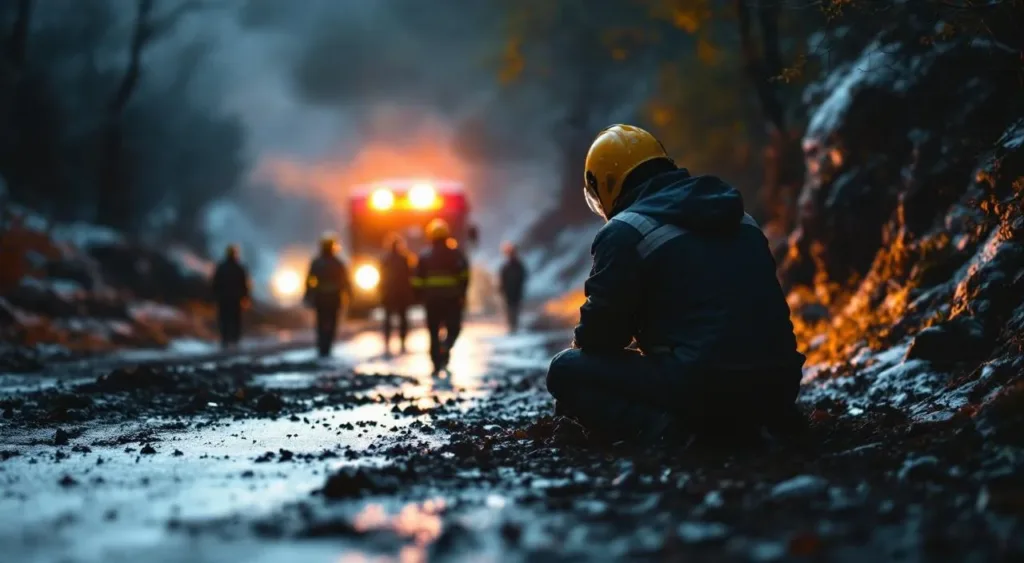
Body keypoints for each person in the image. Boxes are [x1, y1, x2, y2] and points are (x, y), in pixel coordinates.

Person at [545, 124, 805, 444]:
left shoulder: (627, 230)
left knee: (564, 369)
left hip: (704, 385)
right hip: (780, 386)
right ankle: (765, 423)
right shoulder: (741, 217)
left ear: (608, 185)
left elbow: (600, 337)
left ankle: (665, 430)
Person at [412, 218, 470, 375]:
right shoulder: (456, 254)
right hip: (452, 299)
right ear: (446, 236)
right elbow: (464, 277)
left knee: (433, 331)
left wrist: (419, 297)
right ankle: (446, 347)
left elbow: (417, 280)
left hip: (432, 301)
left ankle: (436, 363)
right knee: (453, 329)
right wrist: (462, 295)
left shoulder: (424, 256)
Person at [304, 232, 352, 358]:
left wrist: (308, 294)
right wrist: (349, 294)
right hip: (333, 298)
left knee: (321, 322)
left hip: (321, 298)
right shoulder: (338, 263)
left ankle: (322, 346)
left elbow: (310, 280)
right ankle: (327, 346)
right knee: (331, 322)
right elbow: (345, 282)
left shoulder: (317, 262)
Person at [379, 233, 415, 357]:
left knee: (389, 319)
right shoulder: (405, 259)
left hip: (390, 294)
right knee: (402, 318)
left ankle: (388, 343)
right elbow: (410, 276)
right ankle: (402, 342)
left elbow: (382, 278)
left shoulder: (385, 259)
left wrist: (382, 292)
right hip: (401, 294)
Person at [211, 244, 251, 349]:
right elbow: (244, 285)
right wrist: (245, 297)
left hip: (223, 299)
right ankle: (234, 339)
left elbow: (215, 283)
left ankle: (225, 339)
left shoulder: (221, 267)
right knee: (235, 319)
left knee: (224, 319)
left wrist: (215, 296)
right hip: (235, 299)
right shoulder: (239, 268)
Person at [498, 241, 527, 333]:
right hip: (510, 291)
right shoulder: (508, 267)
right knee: (511, 309)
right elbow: (502, 278)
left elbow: (522, 277)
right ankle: (512, 327)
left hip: (515, 291)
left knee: (513, 309)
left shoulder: (516, 266)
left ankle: (513, 327)